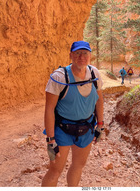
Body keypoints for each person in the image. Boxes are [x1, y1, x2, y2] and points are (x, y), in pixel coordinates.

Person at [41, 40, 104, 187]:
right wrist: (50, 140)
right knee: (55, 170)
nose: (81, 57)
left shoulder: (95, 74)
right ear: (71, 55)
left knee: (78, 165)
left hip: (86, 128)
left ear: (90, 56)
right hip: (63, 129)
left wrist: (100, 125)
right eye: (77, 53)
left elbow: (99, 101)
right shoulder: (59, 77)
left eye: (85, 53)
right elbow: (49, 109)